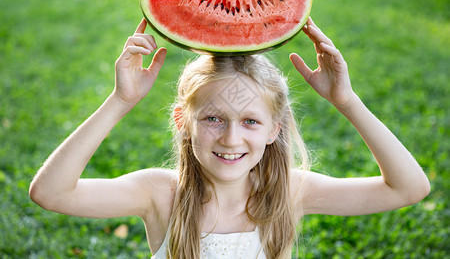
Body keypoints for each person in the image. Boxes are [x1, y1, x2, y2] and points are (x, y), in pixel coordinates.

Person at [29, 17, 430, 258]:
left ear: (276, 129)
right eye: (214, 119)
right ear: (182, 121)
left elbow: (408, 188)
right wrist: (120, 100)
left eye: (251, 122)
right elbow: (51, 193)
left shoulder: (289, 191)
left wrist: (346, 100)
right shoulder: (159, 192)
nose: (231, 138)